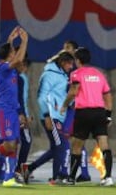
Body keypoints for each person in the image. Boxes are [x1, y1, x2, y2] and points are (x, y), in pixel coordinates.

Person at [60, 47, 114, 186]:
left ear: (77, 60)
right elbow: (107, 95)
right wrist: (108, 115)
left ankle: (71, 178)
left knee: (76, 146)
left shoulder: (76, 74)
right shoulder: (99, 74)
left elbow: (74, 91)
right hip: (99, 112)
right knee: (104, 145)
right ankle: (107, 177)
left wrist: (65, 105)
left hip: (83, 113)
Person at [22, 52, 74, 185]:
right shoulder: (49, 75)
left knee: (56, 148)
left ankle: (29, 168)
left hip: (58, 116)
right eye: (69, 63)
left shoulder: (62, 75)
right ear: (63, 62)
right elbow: (41, 96)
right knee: (61, 145)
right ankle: (57, 177)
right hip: (51, 116)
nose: (71, 66)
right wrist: (47, 116)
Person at [0, 26, 28, 187]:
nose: (15, 54)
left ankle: (8, 178)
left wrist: (10, 40)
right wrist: (24, 41)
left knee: (14, 143)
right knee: (9, 144)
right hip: (3, 111)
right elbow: (17, 59)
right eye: (12, 52)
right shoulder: (3, 67)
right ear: (9, 56)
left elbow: (13, 57)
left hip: (11, 110)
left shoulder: (8, 67)